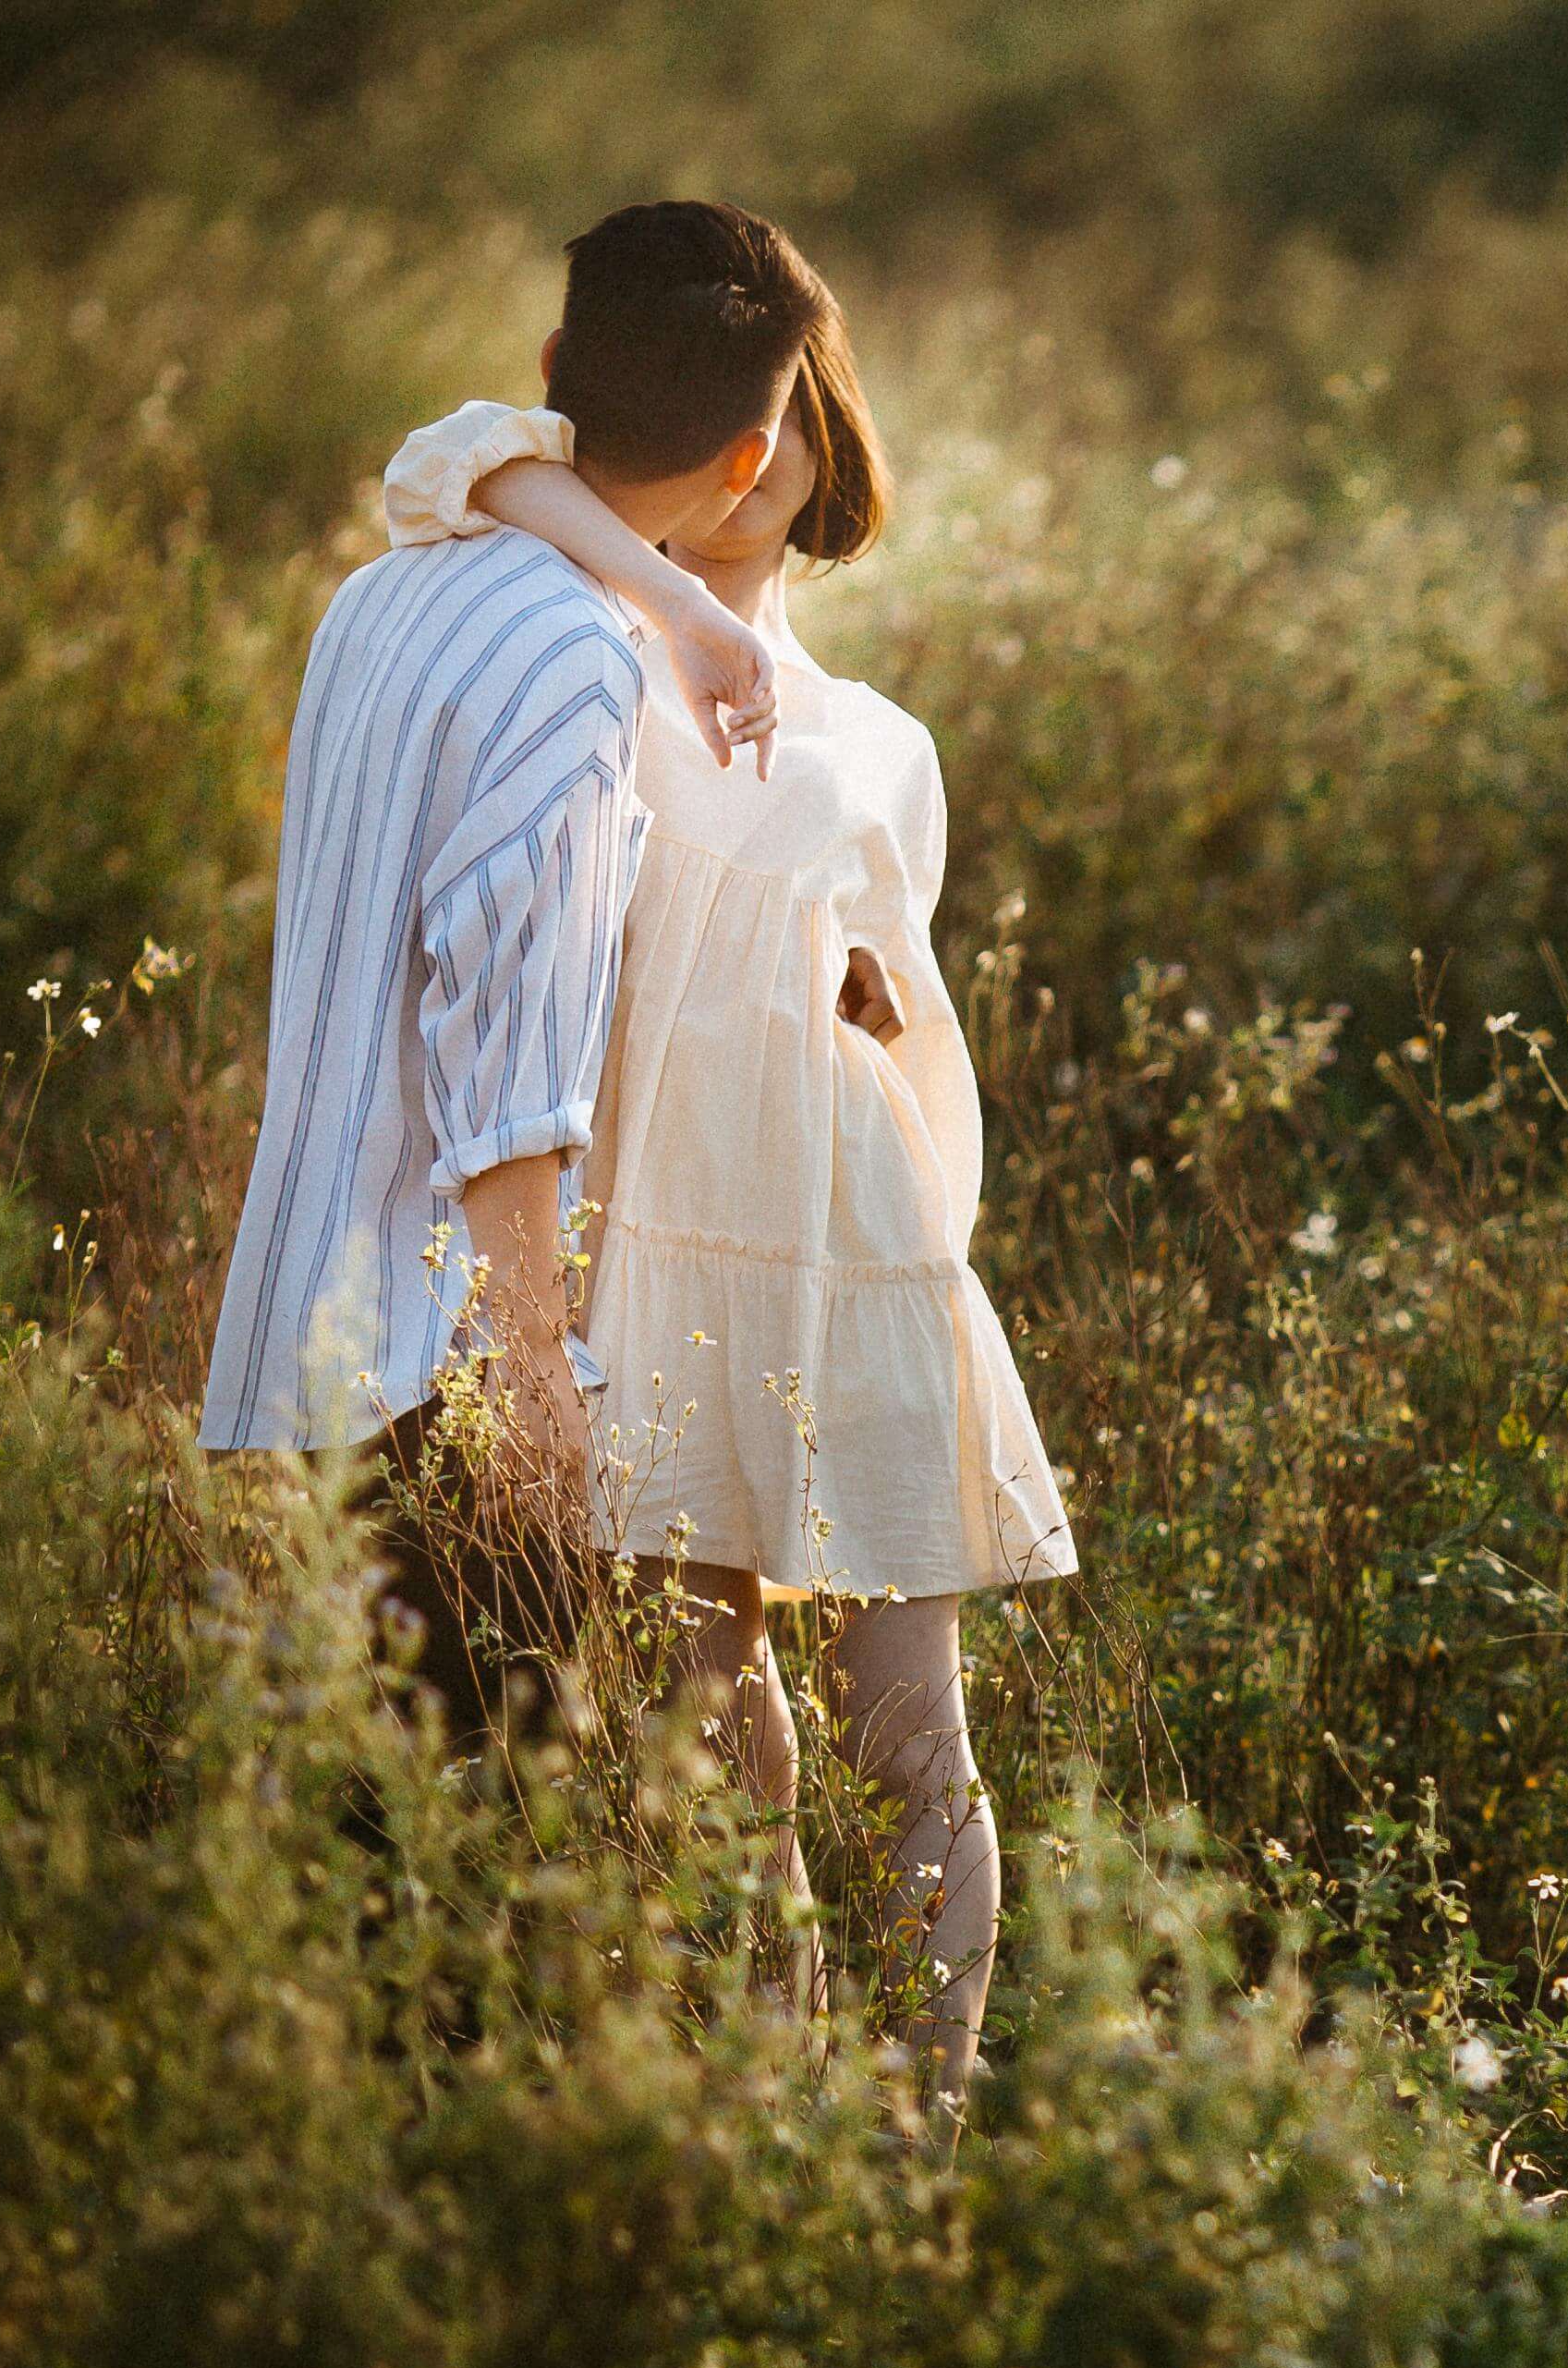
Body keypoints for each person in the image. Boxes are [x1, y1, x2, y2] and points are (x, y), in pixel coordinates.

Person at [375, 276, 1076, 2123]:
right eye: (744, 435)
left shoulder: (878, 739)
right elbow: (454, 461)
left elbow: (910, 1026)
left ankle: (926, 2122)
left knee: (912, 1727)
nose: (760, 470)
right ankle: (771, 2103)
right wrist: (669, 594)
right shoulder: (579, 644)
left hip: (843, 1235)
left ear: (819, 455)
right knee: (707, 1722)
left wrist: (932, 1224)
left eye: (797, 436)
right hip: (648, 1240)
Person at [199, 200, 818, 1758]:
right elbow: (508, 1083)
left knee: (359, 1832)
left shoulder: (385, 588)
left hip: (310, 1316)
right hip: (442, 1363)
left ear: (555, 367)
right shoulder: (575, 669)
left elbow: (448, 456)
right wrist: (536, 1396)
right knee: (476, 1872)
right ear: (746, 464)